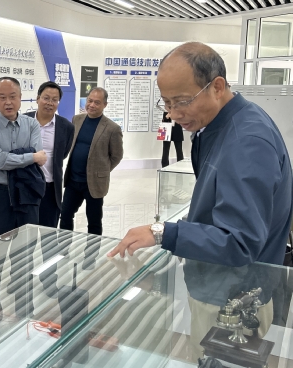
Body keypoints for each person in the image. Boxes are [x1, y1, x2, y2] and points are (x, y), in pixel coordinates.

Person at [109, 42, 293, 266]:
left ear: (217, 87)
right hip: (219, 277)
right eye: (167, 103)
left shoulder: (247, 143)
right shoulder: (218, 126)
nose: (173, 114)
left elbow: (239, 244)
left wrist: (164, 233)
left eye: (182, 102)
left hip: (242, 284)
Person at [0, 76, 46, 333]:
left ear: (20, 97)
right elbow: (1, 160)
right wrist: (29, 157)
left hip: (27, 194)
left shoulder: (32, 124)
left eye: (12, 96)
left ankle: (24, 311)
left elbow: (3, 160)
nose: (8, 102)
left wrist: (4, 159)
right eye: (2, 97)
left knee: (25, 254)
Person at [59, 87, 124, 236]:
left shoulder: (112, 128)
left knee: (94, 221)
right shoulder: (77, 120)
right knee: (65, 215)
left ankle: (92, 251)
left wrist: (102, 171)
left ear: (105, 105)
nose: (92, 105)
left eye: (97, 102)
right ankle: (64, 246)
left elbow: (117, 156)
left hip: (94, 183)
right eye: (90, 100)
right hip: (73, 180)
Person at [25, 81, 75, 228]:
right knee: (25, 232)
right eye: (46, 98)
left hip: (50, 188)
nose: (50, 103)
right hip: (25, 185)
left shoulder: (67, 127)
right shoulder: (22, 121)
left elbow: (62, 154)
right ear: (38, 98)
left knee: (48, 233)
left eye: (54, 100)